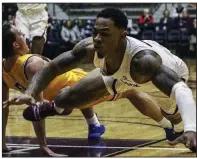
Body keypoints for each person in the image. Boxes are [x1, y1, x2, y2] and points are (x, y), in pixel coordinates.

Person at [4, 8, 196, 152]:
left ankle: (176, 127)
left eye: (104, 34)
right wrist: (29, 93)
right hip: (116, 74)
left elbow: (181, 89)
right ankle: (54, 107)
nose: (97, 38)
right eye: (95, 31)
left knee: (175, 117)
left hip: (162, 71)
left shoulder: (144, 62)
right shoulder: (90, 47)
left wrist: (190, 128)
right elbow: (53, 66)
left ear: (122, 35)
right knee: (66, 96)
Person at [2, 23, 107, 156]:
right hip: (62, 92)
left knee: (128, 91)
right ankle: (93, 124)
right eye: (21, 35)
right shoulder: (24, 66)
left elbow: (24, 108)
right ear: (15, 45)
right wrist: (42, 146)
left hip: (74, 83)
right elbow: (7, 109)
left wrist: (42, 146)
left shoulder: (17, 66)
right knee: (64, 105)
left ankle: (93, 123)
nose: (24, 36)